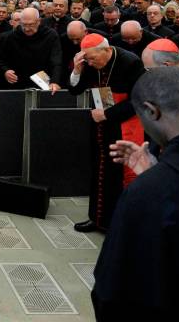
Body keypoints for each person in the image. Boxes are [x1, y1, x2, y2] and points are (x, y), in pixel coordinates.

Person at [92, 67, 179, 320]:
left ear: (152, 111)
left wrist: (153, 179)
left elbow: (115, 292)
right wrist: (156, 171)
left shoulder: (146, 194)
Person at [68, 34, 146, 232]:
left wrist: (107, 114)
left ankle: (116, 223)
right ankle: (97, 218)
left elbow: (139, 99)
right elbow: (75, 90)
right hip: (100, 121)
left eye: (93, 58)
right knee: (99, 170)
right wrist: (77, 70)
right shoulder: (90, 62)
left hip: (123, 123)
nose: (91, 63)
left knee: (116, 173)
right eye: (88, 59)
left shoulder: (131, 62)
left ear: (107, 50)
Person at [0, 7, 63, 91]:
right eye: (24, 24)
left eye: (31, 25)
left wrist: (54, 81)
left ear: (38, 21)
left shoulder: (50, 35)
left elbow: (56, 61)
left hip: (43, 84)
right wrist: (5, 71)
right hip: (16, 85)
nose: (27, 29)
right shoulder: (8, 37)